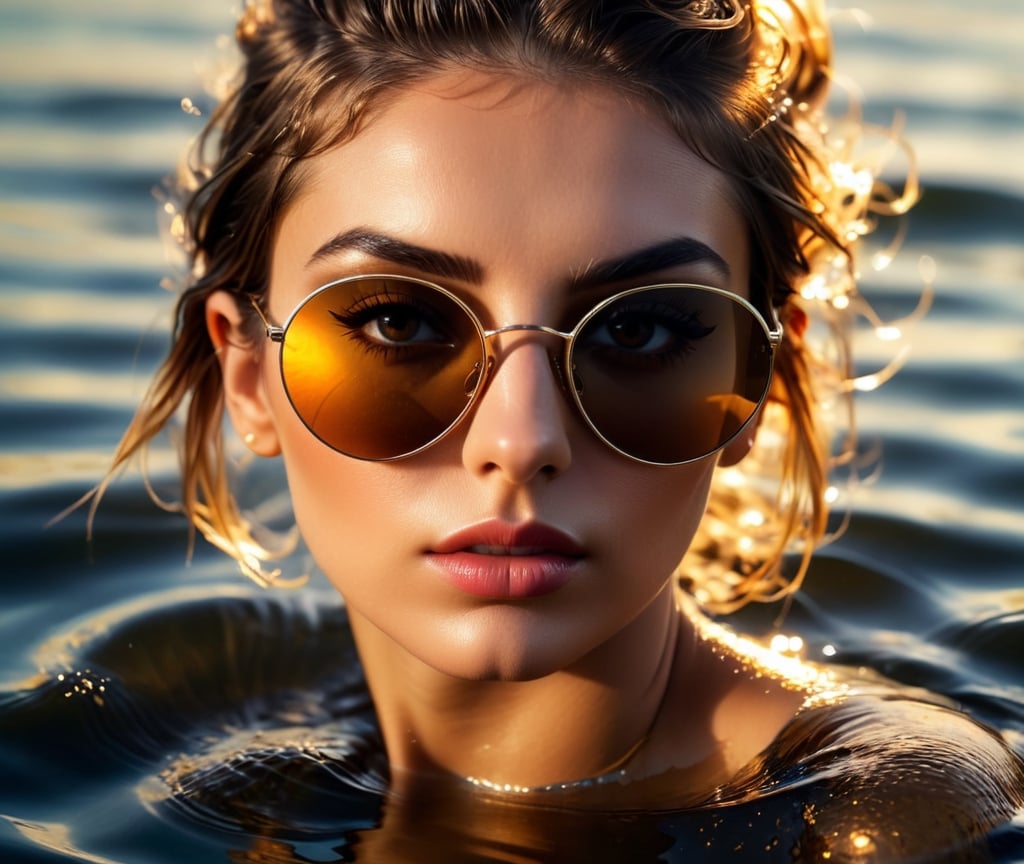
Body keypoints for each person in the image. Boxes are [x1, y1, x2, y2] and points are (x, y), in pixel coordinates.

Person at [88, 0, 1022, 858]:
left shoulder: (890, 819)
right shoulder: (174, 727)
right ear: (245, 370)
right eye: (398, 322)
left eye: (639, 328)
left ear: (762, 379)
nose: (523, 439)